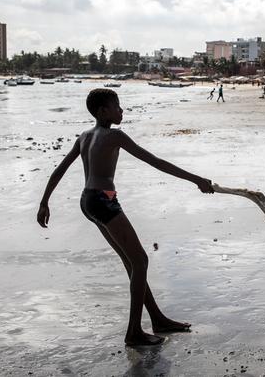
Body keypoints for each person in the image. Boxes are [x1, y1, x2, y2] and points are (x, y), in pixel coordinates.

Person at [36, 88, 214, 347]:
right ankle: (133, 332)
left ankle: (157, 319)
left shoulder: (84, 137)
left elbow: (58, 171)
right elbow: (155, 161)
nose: (121, 110)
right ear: (102, 111)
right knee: (140, 261)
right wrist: (196, 179)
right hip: (103, 201)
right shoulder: (114, 136)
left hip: (88, 200)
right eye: (116, 106)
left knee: (132, 263)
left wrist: (44, 202)